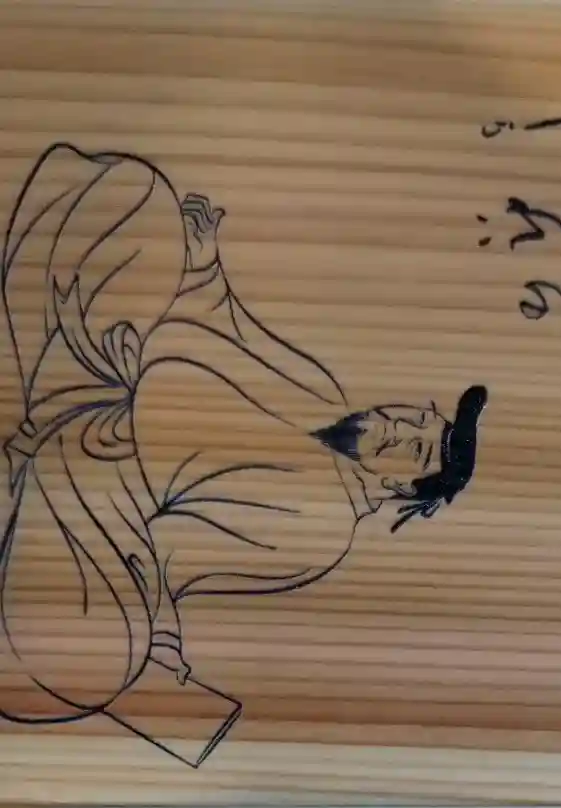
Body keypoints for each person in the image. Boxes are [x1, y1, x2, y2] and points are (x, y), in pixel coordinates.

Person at [0, 142, 487, 729]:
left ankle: (35, 466)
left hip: (103, 497)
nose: (397, 425)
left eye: (415, 448)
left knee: (88, 658)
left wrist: (161, 641)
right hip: (106, 383)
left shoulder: (322, 526)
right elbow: (228, 324)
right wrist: (203, 266)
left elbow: (163, 553)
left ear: (400, 487)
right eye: (416, 417)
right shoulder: (322, 392)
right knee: (137, 193)